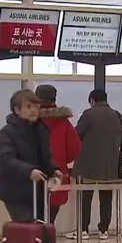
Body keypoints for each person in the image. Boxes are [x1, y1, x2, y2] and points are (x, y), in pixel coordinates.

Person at [0, 89, 61, 243]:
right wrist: (29, 171)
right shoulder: (6, 133)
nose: (33, 111)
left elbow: (45, 156)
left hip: (38, 191)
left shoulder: (41, 130)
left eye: (36, 106)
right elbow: (6, 159)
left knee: (39, 234)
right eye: (28, 107)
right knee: (25, 230)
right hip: (15, 191)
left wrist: (53, 170)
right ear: (17, 109)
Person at [67, 89, 122, 241]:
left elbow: (76, 135)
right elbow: (121, 139)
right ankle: (103, 230)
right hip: (109, 165)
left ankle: (83, 230)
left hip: (88, 165)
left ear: (92, 100)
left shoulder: (88, 114)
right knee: (106, 198)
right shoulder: (117, 116)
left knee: (85, 197)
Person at [34, 85, 81, 224]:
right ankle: (48, 240)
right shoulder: (64, 123)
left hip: (32, 176)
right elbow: (75, 149)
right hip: (56, 175)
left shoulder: (28, 121)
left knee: (33, 219)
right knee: (50, 219)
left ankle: (34, 241)